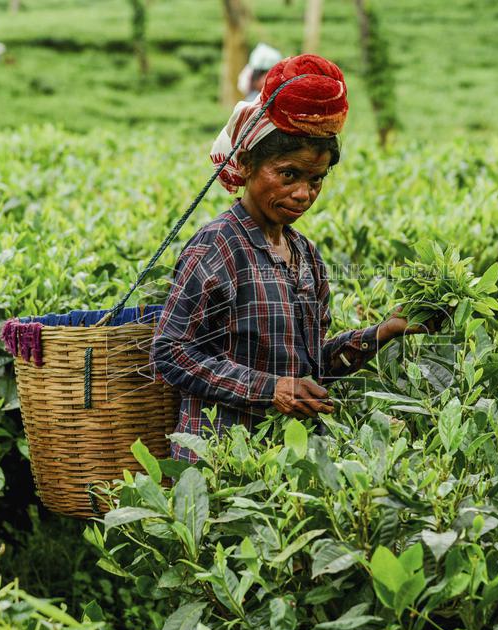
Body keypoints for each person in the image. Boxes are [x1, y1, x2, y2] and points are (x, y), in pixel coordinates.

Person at [151, 55, 436, 463]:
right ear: (247, 164)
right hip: (220, 462)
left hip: (288, 464)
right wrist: (272, 388)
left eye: (315, 179)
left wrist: (381, 333)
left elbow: (311, 364)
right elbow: (171, 353)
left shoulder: (306, 255)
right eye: (288, 175)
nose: (303, 194)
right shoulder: (216, 247)